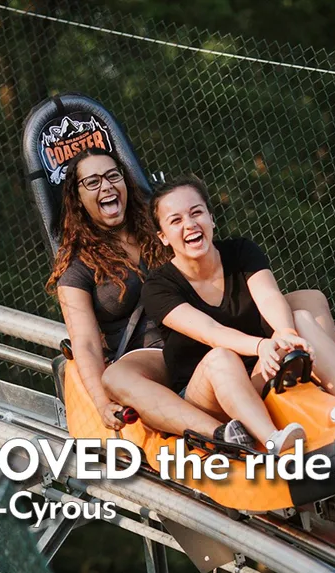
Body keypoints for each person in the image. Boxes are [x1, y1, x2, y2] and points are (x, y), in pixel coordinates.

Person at [140, 175, 335, 455]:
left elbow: (268, 295)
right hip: (208, 392)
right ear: (163, 236)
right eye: (176, 221)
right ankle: (272, 439)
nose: (189, 224)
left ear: (211, 218)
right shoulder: (157, 287)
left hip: (261, 373)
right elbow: (210, 331)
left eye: (196, 212)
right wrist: (262, 345)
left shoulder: (240, 251)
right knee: (221, 357)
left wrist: (285, 333)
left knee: (298, 318)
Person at [47, 148, 251, 444]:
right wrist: (102, 403)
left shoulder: (162, 227)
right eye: (92, 182)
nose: (106, 186)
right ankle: (221, 435)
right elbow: (87, 344)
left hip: (204, 332)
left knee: (304, 302)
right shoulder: (76, 266)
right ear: (78, 198)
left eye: (112, 176)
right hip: (153, 358)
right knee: (116, 378)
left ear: (126, 183)